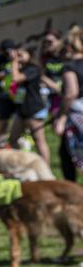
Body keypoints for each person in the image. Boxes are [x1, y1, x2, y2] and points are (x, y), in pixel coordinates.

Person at [6, 41, 51, 164]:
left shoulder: (33, 69)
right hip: (22, 110)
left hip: (34, 110)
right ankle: (19, 163)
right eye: (17, 55)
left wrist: (14, 62)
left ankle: (45, 168)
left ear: (30, 55)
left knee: (39, 140)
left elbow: (16, 79)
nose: (18, 58)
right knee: (13, 139)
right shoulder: (23, 68)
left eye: (21, 55)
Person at [54, 32, 83, 181]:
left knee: (68, 155)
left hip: (77, 116)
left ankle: (71, 193)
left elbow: (71, 93)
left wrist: (61, 117)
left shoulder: (70, 67)